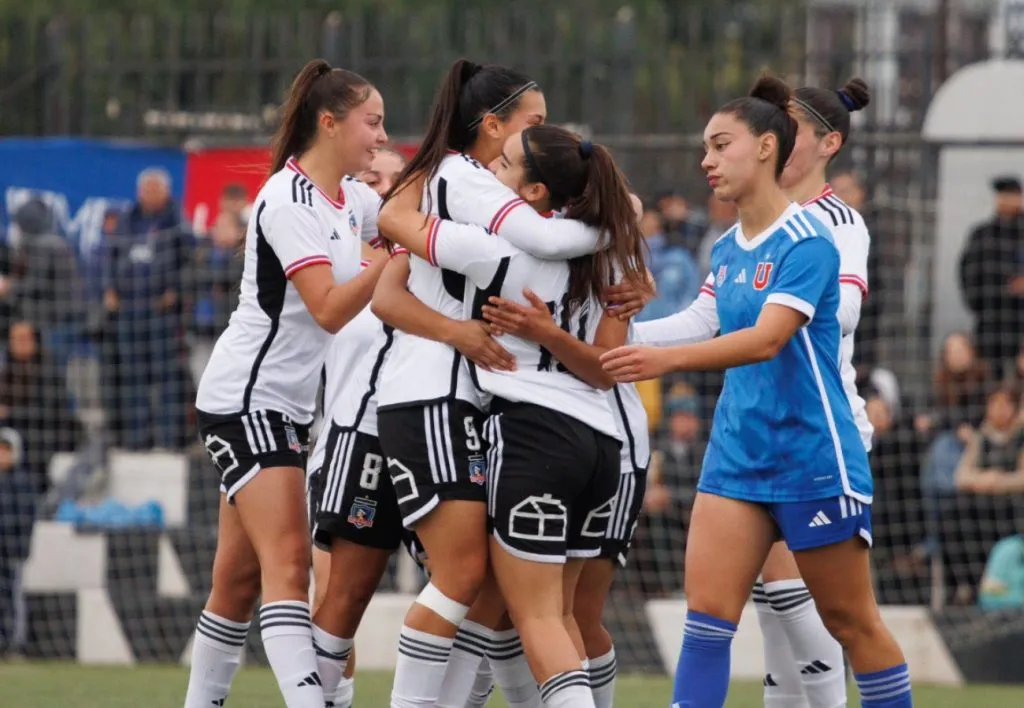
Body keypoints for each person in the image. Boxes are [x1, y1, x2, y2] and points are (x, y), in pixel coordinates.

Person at [600, 74, 913, 708]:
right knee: (709, 621)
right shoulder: (728, 244)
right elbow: (705, 319)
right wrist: (610, 335)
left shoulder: (818, 235)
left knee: (848, 624)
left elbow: (777, 335)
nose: (705, 161)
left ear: (770, 146)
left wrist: (666, 360)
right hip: (738, 451)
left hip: (815, 450)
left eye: (720, 145)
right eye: (706, 148)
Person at [370, 58, 616, 708]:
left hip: (504, 411)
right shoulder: (463, 178)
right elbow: (392, 281)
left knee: (502, 599)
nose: (544, 128)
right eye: (533, 122)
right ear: (492, 125)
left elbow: (399, 250)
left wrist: (396, 212)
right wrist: (619, 218)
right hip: (441, 395)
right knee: (482, 587)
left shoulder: (488, 220)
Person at [183, 58, 388, 708]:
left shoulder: (354, 197)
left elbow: (415, 226)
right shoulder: (284, 197)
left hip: (288, 411)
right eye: (372, 122)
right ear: (329, 123)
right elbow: (329, 306)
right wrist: (388, 261)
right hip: (247, 401)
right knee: (291, 567)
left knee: (236, 584)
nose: (382, 137)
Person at [306, 147, 406, 708]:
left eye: (398, 178)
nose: (386, 187)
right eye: (374, 177)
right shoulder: (331, 260)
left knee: (469, 594)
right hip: (349, 441)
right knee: (337, 602)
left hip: (426, 442)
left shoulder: (436, 256)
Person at [959, 175, 1024, 376]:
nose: (1005, 199)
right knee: (990, 381)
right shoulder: (982, 235)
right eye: (1001, 194)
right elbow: (967, 275)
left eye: (1011, 195)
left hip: (1021, 322)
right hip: (991, 323)